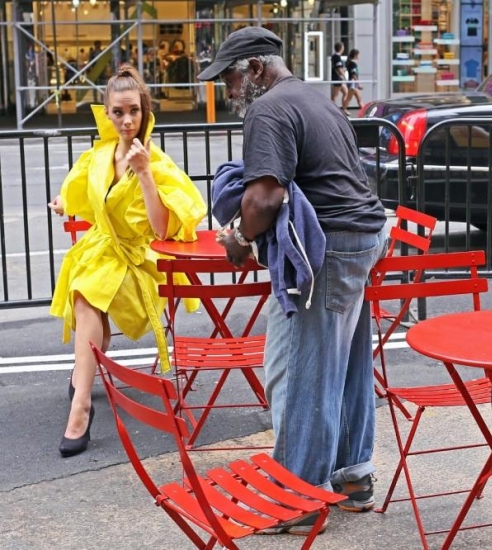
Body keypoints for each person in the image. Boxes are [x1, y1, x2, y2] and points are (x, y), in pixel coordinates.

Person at [196, 26, 387, 535]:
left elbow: (263, 198)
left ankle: (298, 499)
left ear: (256, 68)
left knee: (300, 372)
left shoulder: (269, 108)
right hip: (361, 237)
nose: (229, 93)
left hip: (333, 245)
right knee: (343, 365)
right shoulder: (315, 99)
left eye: (231, 80)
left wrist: (237, 234)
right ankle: (351, 477)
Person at [47, 65, 207, 458]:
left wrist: (145, 174)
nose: (126, 120)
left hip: (139, 260)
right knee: (89, 298)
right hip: (101, 253)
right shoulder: (99, 155)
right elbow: (79, 188)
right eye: (118, 112)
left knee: (86, 296)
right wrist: (63, 202)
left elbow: (163, 229)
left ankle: (80, 402)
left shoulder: (156, 160)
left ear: (145, 110)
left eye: (133, 110)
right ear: (107, 112)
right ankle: (83, 386)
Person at [330, 41, 347, 108]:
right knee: (335, 95)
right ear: (340, 48)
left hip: (339, 78)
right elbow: (339, 68)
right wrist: (344, 76)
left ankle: (344, 109)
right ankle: (332, 108)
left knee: (346, 92)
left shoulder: (335, 56)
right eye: (343, 47)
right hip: (337, 78)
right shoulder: (337, 57)